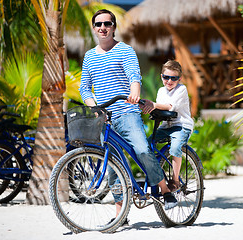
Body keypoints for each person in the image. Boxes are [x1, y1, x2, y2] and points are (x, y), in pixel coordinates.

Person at [79, 9, 178, 215]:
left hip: (126, 112)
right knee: (113, 167)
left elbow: (134, 75)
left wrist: (134, 93)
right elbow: (85, 88)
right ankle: (120, 214)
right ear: (94, 28)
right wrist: (94, 107)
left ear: (114, 27)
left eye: (107, 24)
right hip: (104, 119)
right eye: (99, 24)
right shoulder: (89, 57)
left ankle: (165, 190)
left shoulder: (125, 50)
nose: (103, 28)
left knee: (142, 150)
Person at [140, 60, 194, 192]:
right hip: (165, 126)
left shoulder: (181, 89)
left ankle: (175, 180)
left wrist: (153, 104)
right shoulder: (161, 91)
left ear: (179, 79)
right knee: (145, 146)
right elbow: (160, 108)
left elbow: (170, 107)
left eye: (173, 78)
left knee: (175, 147)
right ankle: (154, 175)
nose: (169, 81)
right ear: (161, 76)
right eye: (166, 77)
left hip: (181, 126)